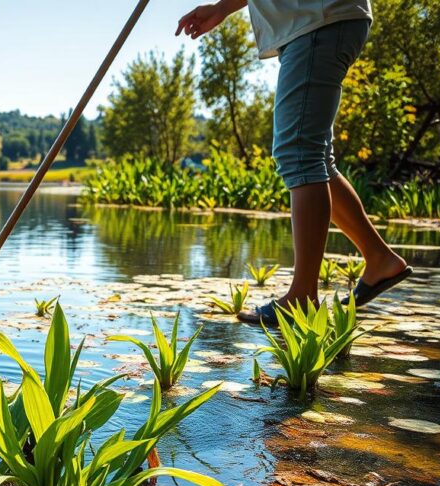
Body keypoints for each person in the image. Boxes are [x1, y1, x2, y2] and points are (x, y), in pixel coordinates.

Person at [176, 0, 411, 325]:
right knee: (313, 159)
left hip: (318, 19)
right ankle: (379, 258)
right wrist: (222, 8)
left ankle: (302, 296)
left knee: (298, 151)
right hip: (315, 21)